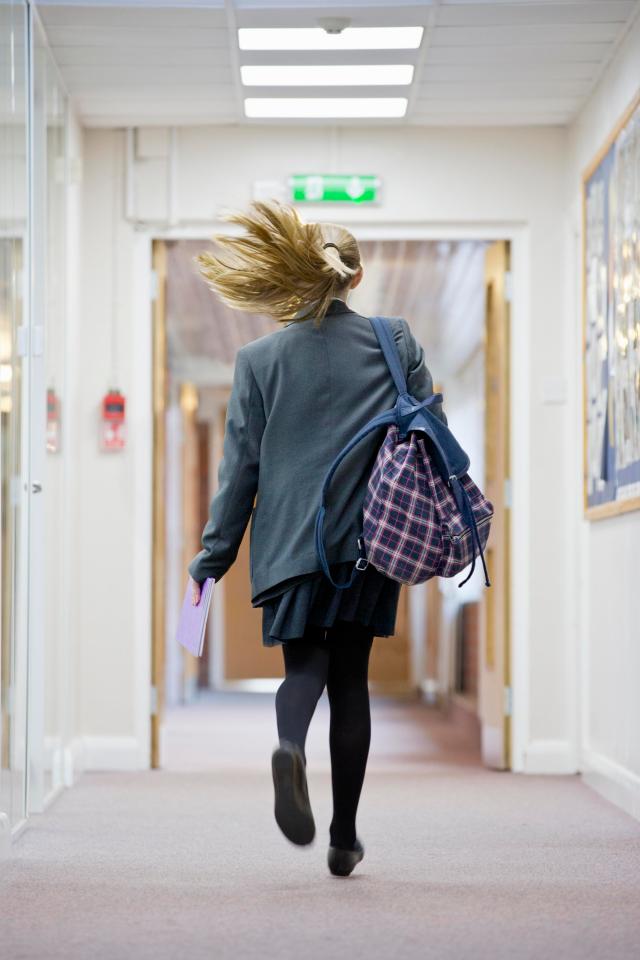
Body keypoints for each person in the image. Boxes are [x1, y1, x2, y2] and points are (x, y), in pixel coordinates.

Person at [187, 201, 447, 877]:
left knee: (304, 670)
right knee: (352, 682)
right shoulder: (396, 341)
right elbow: (432, 434)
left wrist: (213, 558)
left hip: (290, 546)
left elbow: (239, 469)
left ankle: (288, 746)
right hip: (370, 544)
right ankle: (344, 839)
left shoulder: (257, 358)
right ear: (356, 278)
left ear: (298, 274)